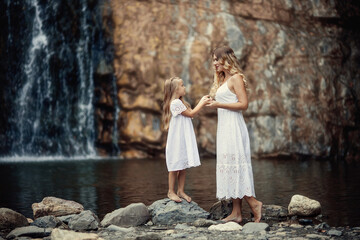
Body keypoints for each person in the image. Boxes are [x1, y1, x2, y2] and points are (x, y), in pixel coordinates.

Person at [207, 46, 262, 223]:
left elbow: (243, 104)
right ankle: (236, 213)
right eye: (213, 59)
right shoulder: (223, 80)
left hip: (234, 128)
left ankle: (254, 203)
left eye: (217, 59)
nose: (214, 63)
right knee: (230, 166)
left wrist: (218, 104)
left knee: (236, 166)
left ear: (226, 59)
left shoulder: (236, 78)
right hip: (224, 129)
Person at [163, 76, 210, 203]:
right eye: (182, 85)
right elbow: (191, 114)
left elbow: (192, 112)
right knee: (174, 166)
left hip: (183, 139)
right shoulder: (175, 103)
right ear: (175, 90)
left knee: (182, 166)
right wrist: (202, 102)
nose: (185, 87)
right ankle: (170, 191)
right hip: (177, 140)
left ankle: (181, 191)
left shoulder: (182, 103)